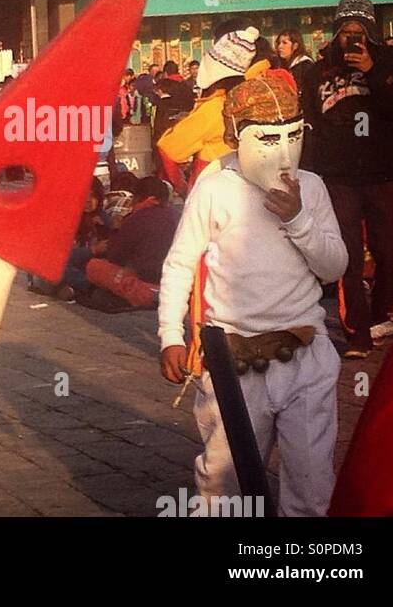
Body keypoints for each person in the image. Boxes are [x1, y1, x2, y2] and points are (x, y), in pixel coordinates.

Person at [158, 72, 348, 517]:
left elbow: (334, 267)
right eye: (267, 139)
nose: (282, 154)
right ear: (236, 135)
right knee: (225, 484)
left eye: (292, 137)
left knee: (312, 483)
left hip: (304, 351)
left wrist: (299, 218)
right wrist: (170, 333)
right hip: (233, 359)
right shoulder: (215, 186)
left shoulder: (312, 187)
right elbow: (181, 261)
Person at [299, 0, 393, 357]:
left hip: (383, 174)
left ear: (371, 32)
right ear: (335, 32)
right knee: (346, 255)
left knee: (391, 252)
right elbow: (311, 123)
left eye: (359, 30)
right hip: (338, 177)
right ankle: (357, 334)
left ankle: (380, 314)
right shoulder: (318, 71)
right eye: (346, 31)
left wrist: (372, 71)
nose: (352, 38)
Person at [156, 21, 261, 197]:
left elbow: (167, 149)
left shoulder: (214, 108)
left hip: (211, 196)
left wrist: (184, 190)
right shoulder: (259, 99)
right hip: (252, 196)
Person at [73, 176, 179, 310]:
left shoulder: (135, 218)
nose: (88, 201)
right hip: (176, 279)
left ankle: (149, 294)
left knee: (94, 266)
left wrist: (112, 233)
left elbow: (115, 258)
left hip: (147, 279)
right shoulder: (178, 215)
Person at [151, 60, 195, 144]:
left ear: (165, 73)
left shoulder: (163, 85)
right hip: (186, 126)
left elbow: (158, 107)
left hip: (167, 128)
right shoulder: (187, 86)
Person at [275, 29, 313, 94]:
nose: (280, 47)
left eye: (284, 43)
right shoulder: (282, 65)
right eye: (279, 43)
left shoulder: (305, 65)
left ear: (295, 46)